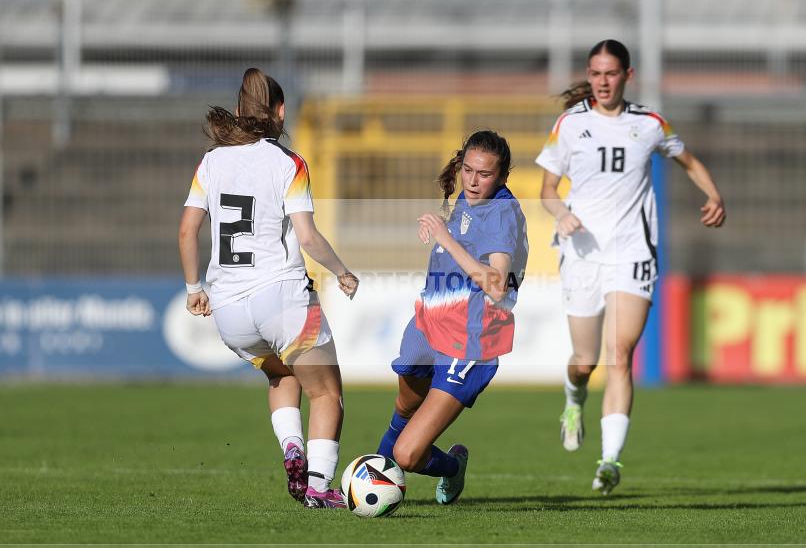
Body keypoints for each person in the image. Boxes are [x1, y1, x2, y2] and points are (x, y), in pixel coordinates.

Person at [536, 40, 726, 494]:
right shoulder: (569, 125)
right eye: (596, 73)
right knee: (585, 362)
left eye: (611, 73)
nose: (603, 82)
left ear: (627, 75)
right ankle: (573, 399)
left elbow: (690, 161)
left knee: (619, 356)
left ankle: (609, 461)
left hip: (632, 253)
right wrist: (560, 213)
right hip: (582, 253)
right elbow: (547, 189)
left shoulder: (649, 124)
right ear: (590, 74)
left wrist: (714, 195)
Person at [178, 67, 359, 509]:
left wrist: (192, 287)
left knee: (281, 373)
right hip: (282, 298)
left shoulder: (211, 161)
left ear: (240, 110)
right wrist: (342, 271)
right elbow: (309, 237)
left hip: (229, 312)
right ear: (280, 112)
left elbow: (187, 232)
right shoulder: (288, 163)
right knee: (326, 393)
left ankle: (291, 448)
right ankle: (317, 486)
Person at [375, 130, 528, 504]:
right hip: (430, 323)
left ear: (504, 177)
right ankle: (374, 475)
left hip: (470, 337)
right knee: (405, 406)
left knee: (408, 454)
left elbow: (496, 287)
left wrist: (446, 239)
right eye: (468, 170)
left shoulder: (502, 214)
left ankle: (451, 467)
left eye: (485, 174)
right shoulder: (469, 196)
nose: (474, 181)